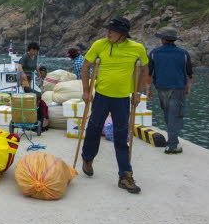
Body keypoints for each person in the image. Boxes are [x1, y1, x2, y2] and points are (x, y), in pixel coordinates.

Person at [80, 17, 148, 194]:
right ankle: (87, 158)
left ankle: (125, 176)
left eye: (112, 30)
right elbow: (86, 67)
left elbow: (145, 69)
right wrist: (86, 91)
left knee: (121, 135)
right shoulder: (99, 45)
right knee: (93, 129)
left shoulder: (137, 48)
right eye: (108, 29)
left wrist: (138, 92)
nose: (108, 32)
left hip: (122, 99)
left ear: (122, 34)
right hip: (102, 96)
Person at [146, 27, 193, 154]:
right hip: (178, 87)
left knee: (168, 113)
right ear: (173, 40)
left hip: (161, 87)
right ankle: (172, 145)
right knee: (175, 115)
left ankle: (172, 140)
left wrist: (148, 89)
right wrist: (188, 88)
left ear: (163, 39)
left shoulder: (154, 53)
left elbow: (149, 73)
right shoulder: (183, 53)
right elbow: (189, 73)